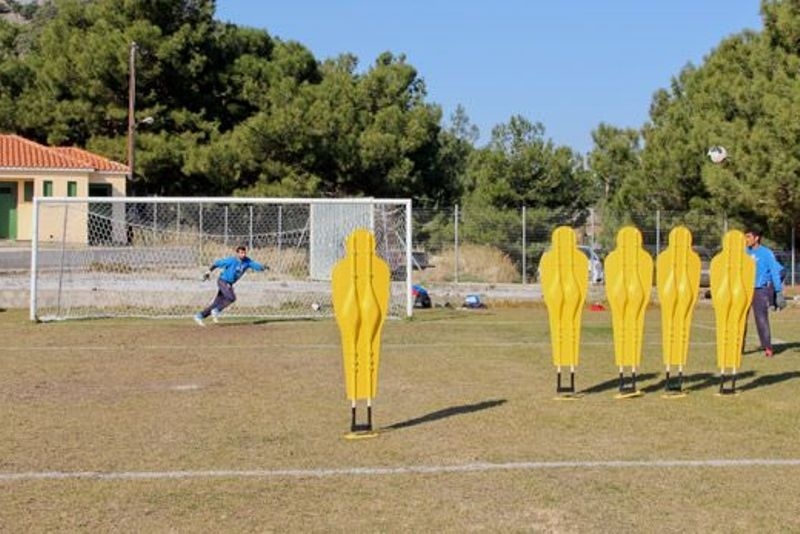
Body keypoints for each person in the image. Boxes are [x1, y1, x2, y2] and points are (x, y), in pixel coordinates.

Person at [194, 245, 267, 325]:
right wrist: (209, 271)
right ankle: (217, 310)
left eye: (244, 253)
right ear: (237, 253)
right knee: (231, 297)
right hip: (223, 281)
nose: (243, 255)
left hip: (229, 284)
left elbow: (255, 265)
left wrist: (263, 267)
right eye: (241, 253)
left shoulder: (247, 261)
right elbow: (217, 263)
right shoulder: (231, 260)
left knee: (216, 303)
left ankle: (199, 316)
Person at [744, 227, 786, 357]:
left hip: (759, 290)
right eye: (745, 237)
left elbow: (776, 271)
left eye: (749, 237)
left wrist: (778, 291)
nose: (746, 240)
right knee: (740, 319)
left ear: (756, 238)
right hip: (743, 290)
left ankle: (767, 347)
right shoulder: (743, 252)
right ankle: (738, 347)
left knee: (761, 319)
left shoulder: (766, 253)